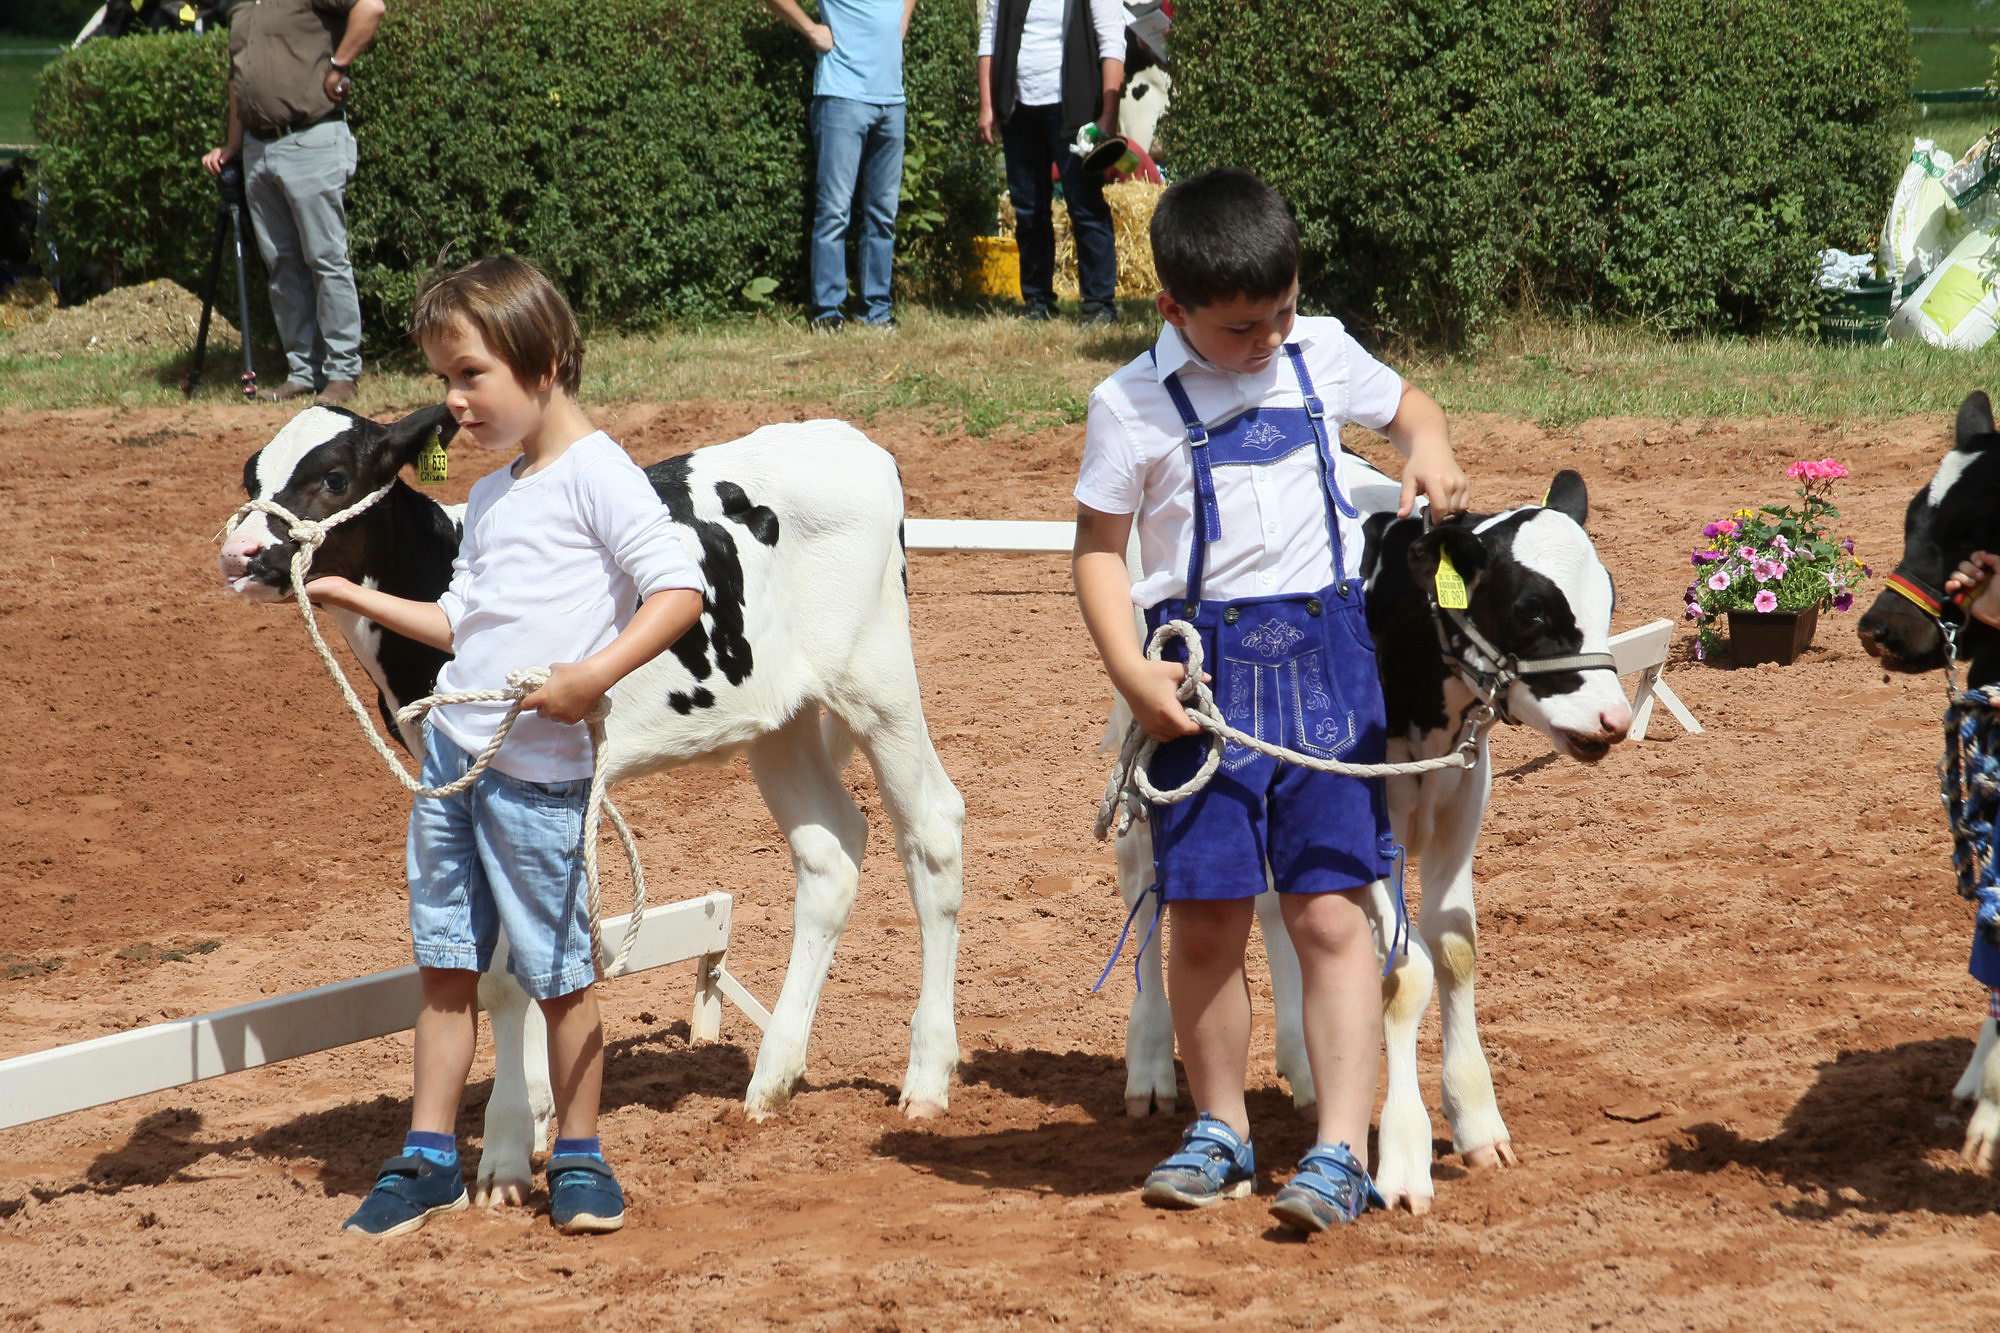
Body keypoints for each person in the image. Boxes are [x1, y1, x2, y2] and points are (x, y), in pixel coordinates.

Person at [1070, 168, 1470, 1231]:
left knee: (1331, 912)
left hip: (1330, 673)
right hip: (1199, 686)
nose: (1267, 338)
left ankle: (1338, 1148)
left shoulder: (1320, 351)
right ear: (1172, 308)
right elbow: (1098, 551)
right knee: (1203, 917)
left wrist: (1428, 445)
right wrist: (1130, 671)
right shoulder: (1126, 407)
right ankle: (1220, 1129)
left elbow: (1410, 409)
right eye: (1242, 326)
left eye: (1282, 311)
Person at [305, 257, 707, 1237]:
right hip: (453, 764)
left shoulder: (599, 475)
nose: (452, 401)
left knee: (561, 975)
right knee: (446, 966)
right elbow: (462, 624)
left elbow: (679, 588)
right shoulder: (490, 498)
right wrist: (354, 597)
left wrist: (591, 676)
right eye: (445, 378)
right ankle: (428, 1154)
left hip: (536, 775)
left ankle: (579, 1153)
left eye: (471, 375)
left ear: (547, 362)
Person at [202, 0, 383, 405]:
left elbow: (371, 7)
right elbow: (238, 79)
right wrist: (232, 145)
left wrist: (339, 66)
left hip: (311, 137)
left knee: (325, 259)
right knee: (281, 265)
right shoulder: (239, 7)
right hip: (258, 149)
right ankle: (303, 371)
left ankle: (342, 372)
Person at [766, 0, 918, 332]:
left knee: (883, 214)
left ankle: (876, 310)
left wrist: (903, 19)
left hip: (892, 101)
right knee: (834, 212)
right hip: (842, 96)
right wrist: (810, 29)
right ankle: (827, 312)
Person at [978, 0, 1126, 324]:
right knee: (1028, 208)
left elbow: (1112, 40)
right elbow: (989, 35)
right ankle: (1037, 300)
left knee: (1085, 205)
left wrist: (1108, 115)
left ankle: (1099, 304)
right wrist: (987, 104)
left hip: (1076, 109)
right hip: (1018, 109)